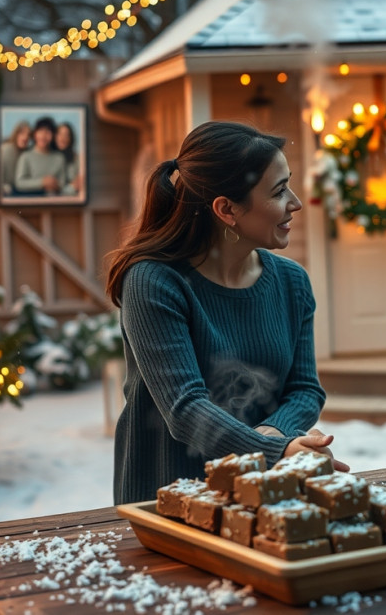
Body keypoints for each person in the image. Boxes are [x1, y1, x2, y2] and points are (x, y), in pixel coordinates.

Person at [105, 121, 346, 504]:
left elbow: (305, 389)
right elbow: (185, 408)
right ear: (227, 209)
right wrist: (276, 451)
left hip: (261, 496)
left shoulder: (291, 282)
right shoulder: (153, 282)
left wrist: (270, 433)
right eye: (279, 190)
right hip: (171, 501)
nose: (296, 202)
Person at [12, 117, 69, 196]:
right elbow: (19, 183)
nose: (43, 136)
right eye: (40, 131)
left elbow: (62, 184)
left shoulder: (59, 158)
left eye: (48, 132)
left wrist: (55, 186)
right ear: (35, 134)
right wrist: (42, 182)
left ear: (53, 136)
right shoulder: (25, 156)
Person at [0, 120, 31, 195]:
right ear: (16, 134)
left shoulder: (28, 153)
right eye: (22, 133)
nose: (25, 137)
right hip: (7, 189)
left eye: (28, 135)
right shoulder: (6, 149)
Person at [54, 121, 83, 194]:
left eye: (66, 135)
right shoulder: (49, 156)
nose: (63, 138)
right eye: (60, 134)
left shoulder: (77, 158)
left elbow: (79, 183)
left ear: (71, 139)